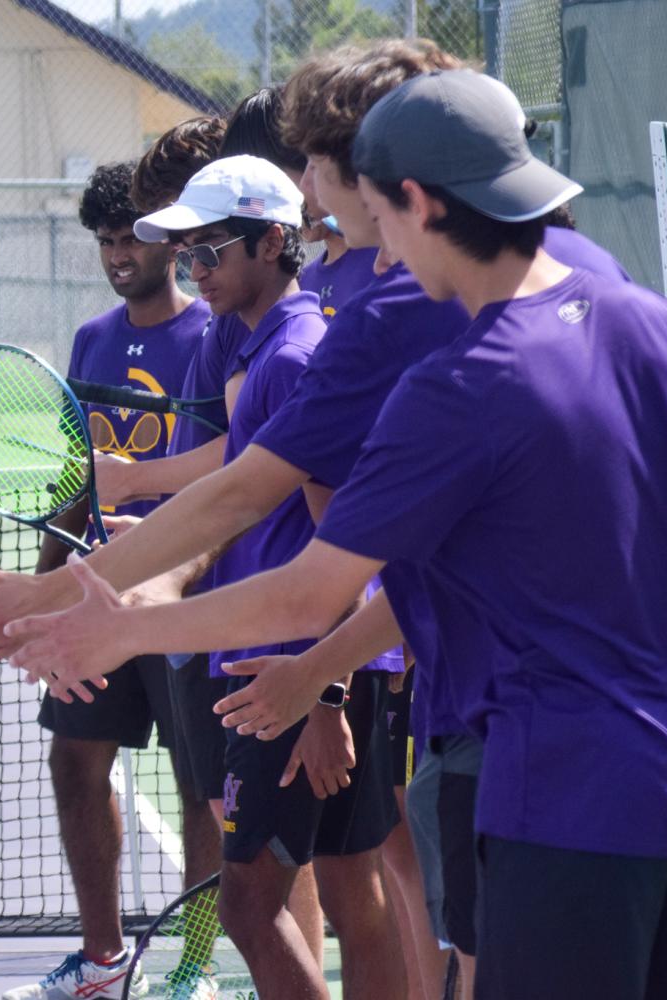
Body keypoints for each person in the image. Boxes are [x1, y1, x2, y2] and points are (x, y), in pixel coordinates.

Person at [8, 67, 667, 1000]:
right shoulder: (661, 330)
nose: (365, 246)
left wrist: (120, 624)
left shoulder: (458, 383)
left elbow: (309, 583)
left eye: (377, 220)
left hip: (562, 797)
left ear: (420, 203)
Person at [135, 154, 402, 1000]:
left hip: (291, 671)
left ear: (274, 242)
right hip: (288, 664)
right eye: (187, 256)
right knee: (353, 888)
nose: (194, 272)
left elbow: (340, 535)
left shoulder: (291, 357)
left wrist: (323, 695)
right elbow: (238, 504)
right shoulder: (247, 343)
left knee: (250, 906)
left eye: (210, 251)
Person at [4, 162, 216, 1000]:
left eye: (130, 237)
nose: (118, 255)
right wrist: (41, 584)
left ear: (166, 238)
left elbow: (228, 481)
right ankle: (101, 963)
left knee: (200, 791)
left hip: (183, 602)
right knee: (73, 763)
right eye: (104, 241)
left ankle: (193, 969)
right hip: (94, 596)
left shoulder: (208, 337)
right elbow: (75, 474)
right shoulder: (92, 340)